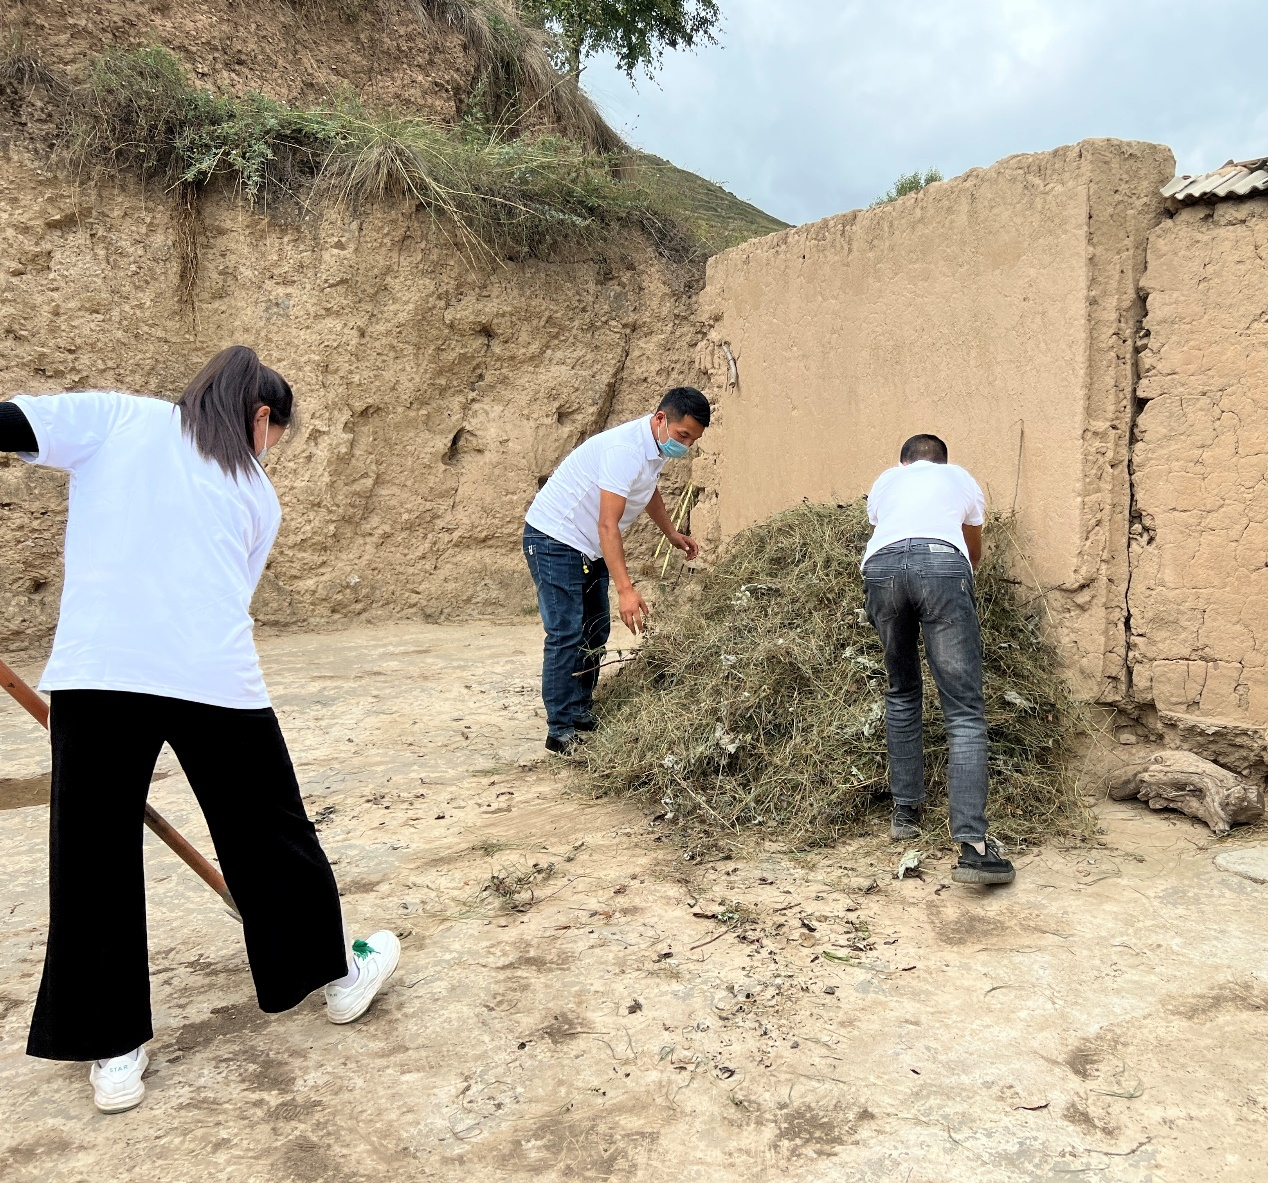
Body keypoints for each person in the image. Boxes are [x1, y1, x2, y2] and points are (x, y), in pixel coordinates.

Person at [0, 347, 399, 1114]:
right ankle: (338, 979)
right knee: (270, 835)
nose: (270, 449)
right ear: (260, 415)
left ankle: (113, 1048)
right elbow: (228, 595)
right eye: (276, 433)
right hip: (213, 678)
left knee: (92, 854)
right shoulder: (257, 494)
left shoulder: (115, 417)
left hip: (101, 673)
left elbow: (9, 423)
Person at [861, 433, 1016, 886]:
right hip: (943, 568)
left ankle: (905, 813)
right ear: (943, 462)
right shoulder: (961, 478)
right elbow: (973, 550)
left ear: (904, 462)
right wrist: (958, 589)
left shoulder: (886, 481)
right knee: (964, 711)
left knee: (902, 691)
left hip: (882, 569)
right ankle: (973, 846)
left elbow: (884, 533)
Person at [523, 387, 711, 753]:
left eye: (692, 440)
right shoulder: (624, 450)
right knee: (565, 632)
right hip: (554, 538)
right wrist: (626, 589)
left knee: (595, 630)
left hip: (584, 545)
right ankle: (559, 730)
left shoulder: (653, 446)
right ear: (660, 419)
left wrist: (671, 532)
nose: (685, 446)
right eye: (682, 436)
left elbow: (647, 490)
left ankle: (579, 712)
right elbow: (607, 525)